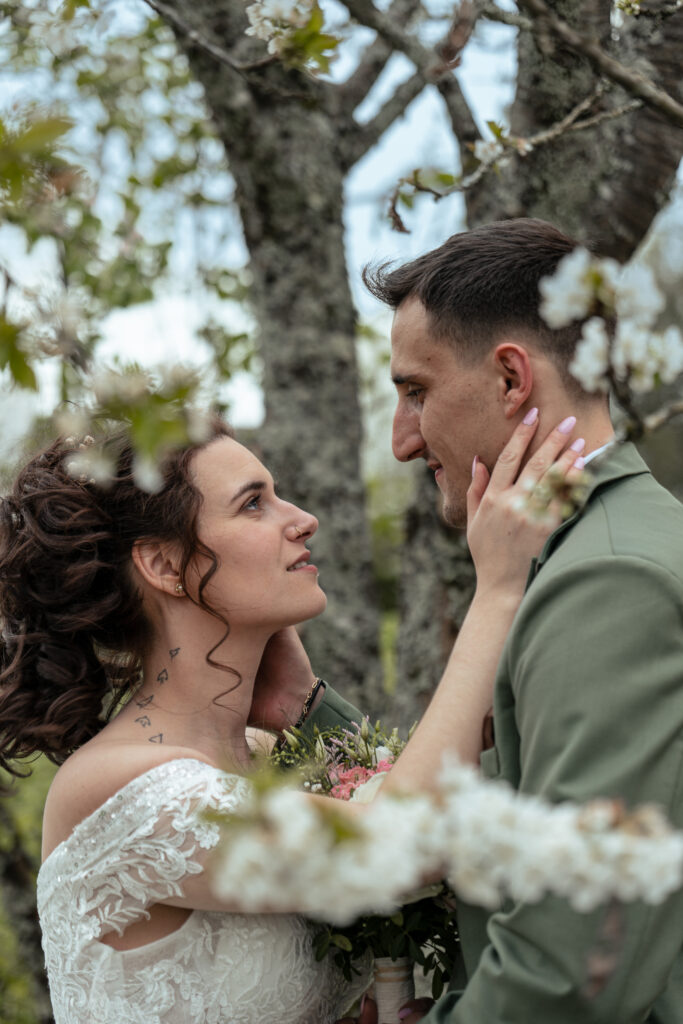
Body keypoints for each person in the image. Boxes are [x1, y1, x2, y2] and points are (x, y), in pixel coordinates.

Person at [0, 411, 579, 1024]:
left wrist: (304, 706)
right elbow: (393, 847)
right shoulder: (123, 788)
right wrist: (498, 589)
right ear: (165, 566)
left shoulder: (266, 754)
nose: (304, 520)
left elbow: (408, 805)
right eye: (254, 504)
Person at [329, 217, 683, 1024]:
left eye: (415, 391)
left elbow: (575, 964)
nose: (401, 441)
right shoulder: (570, 556)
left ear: (510, 379)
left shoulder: (608, 579)